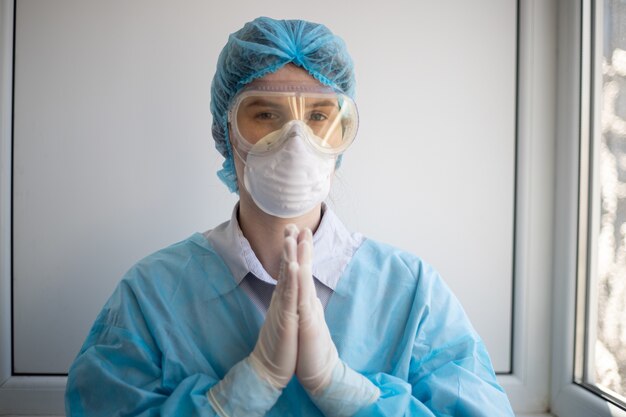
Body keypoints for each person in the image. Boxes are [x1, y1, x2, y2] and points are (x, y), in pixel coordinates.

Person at [65, 16, 515, 417]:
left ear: (341, 133)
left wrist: (345, 391)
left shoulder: (411, 292)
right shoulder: (152, 295)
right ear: (228, 131)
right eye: (264, 113)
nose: (295, 139)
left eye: (318, 115)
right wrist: (241, 392)